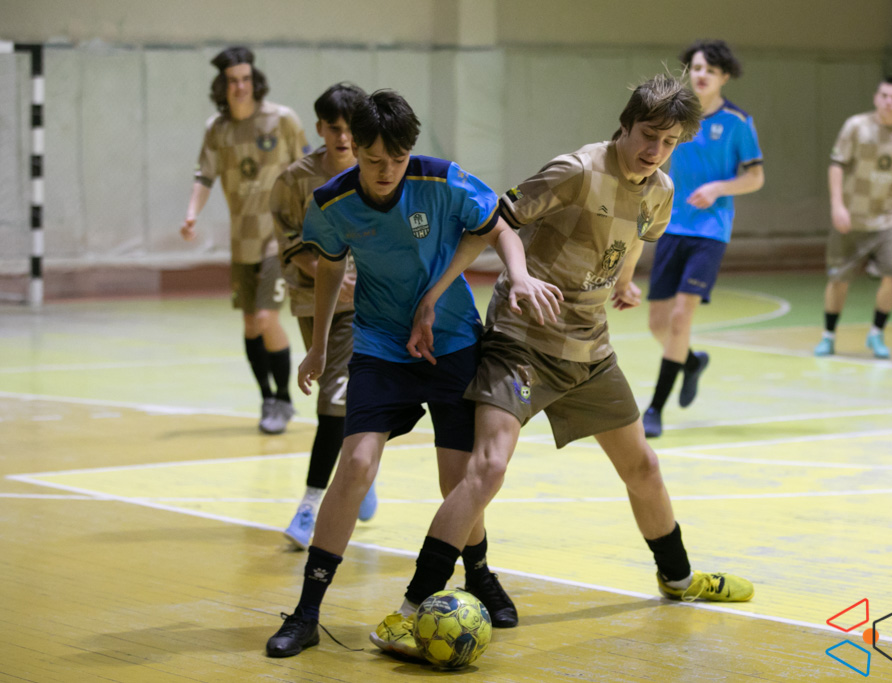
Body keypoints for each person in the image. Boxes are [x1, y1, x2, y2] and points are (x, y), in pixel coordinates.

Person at [370, 73, 755, 662]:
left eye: (669, 142)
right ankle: (408, 608)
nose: (656, 150)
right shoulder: (575, 170)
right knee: (487, 468)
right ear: (625, 125)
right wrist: (435, 296)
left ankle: (678, 578)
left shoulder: (661, 190)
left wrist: (623, 283)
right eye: (648, 135)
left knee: (644, 467)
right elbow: (491, 223)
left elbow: (634, 237)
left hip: (590, 350)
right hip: (522, 341)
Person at [264, 89, 562, 658]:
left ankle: (480, 574)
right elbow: (328, 270)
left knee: (458, 481)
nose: (385, 172)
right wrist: (319, 347)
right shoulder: (331, 202)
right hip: (380, 346)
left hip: (451, 343)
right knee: (356, 464)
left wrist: (519, 274)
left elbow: (499, 226)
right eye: (373, 160)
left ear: (410, 152)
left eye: (396, 160)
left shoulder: (443, 180)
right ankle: (306, 612)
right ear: (353, 149)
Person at [269, 83, 378, 550]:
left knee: (333, 399)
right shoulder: (294, 181)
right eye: (334, 129)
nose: (343, 138)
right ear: (319, 128)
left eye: (351, 129)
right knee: (340, 395)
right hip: (314, 302)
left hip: (368, 304)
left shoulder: (376, 170)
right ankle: (360, 467)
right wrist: (328, 274)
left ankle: (310, 504)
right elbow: (290, 243)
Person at [181, 46, 309, 434]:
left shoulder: (282, 119)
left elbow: (307, 169)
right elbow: (204, 175)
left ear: (255, 81)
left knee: (267, 318)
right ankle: (267, 398)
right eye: (233, 81)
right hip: (242, 241)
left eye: (246, 79)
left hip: (278, 238)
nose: (240, 87)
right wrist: (191, 212)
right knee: (251, 325)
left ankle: (284, 400)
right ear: (222, 86)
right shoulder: (217, 129)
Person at [643, 40, 765, 439]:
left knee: (681, 318)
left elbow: (755, 177)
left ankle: (655, 409)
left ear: (724, 76)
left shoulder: (737, 122)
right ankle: (691, 362)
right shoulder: (674, 117)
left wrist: (718, 188)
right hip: (670, 225)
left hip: (710, 232)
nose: (701, 75)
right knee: (658, 323)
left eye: (710, 70)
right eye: (696, 68)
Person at [814, 76, 892, 360]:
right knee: (838, 279)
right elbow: (836, 166)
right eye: (884, 96)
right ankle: (828, 336)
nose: (889, 102)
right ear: (875, 98)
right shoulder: (856, 126)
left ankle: (876, 333)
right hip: (852, 218)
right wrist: (837, 206)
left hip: (887, 219)